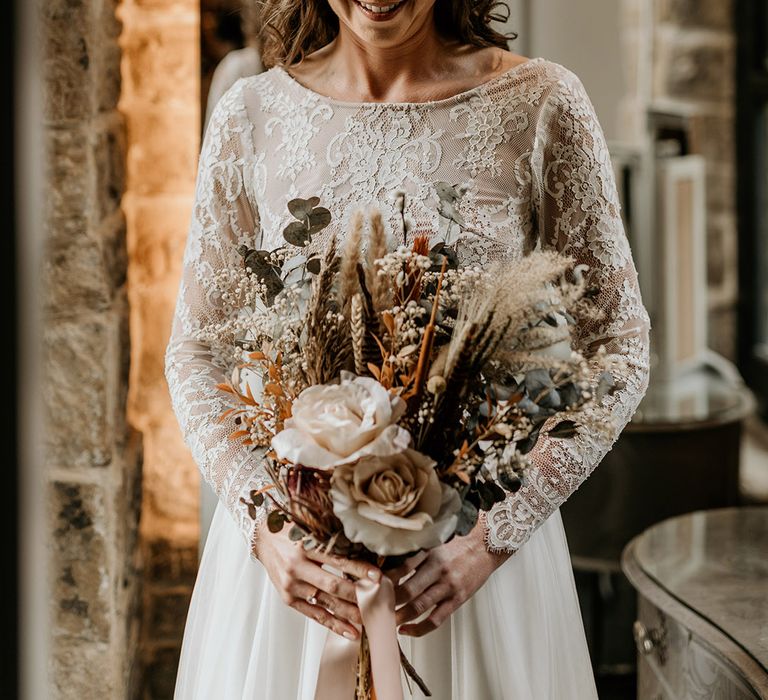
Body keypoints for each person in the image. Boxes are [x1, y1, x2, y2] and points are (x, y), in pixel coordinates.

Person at [166, 1, 650, 697]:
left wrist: (491, 537)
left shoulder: (541, 103)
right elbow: (195, 352)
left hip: (467, 571)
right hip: (298, 575)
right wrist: (263, 524)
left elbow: (620, 348)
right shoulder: (250, 113)